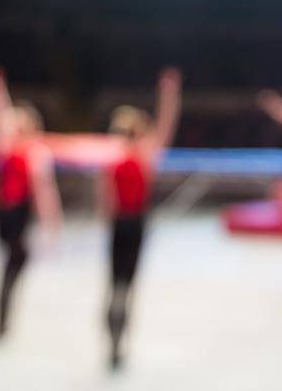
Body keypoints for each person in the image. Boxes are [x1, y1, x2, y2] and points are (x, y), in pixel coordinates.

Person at [102, 68, 182, 371]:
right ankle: (119, 341)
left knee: (114, 283)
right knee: (127, 285)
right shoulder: (145, 156)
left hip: (118, 223)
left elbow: (106, 201)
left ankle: (112, 338)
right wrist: (169, 94)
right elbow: (165, 126)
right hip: (136, 223)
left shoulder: (111, 159)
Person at [0, 67, 62, 340]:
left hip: (6, 213)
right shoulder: (27, 151)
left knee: (12, 263)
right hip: (12, 213)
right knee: (16, 261)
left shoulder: (11, 148)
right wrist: (52, 222)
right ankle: (2, 315)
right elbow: (44, 193)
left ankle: (2, 315)